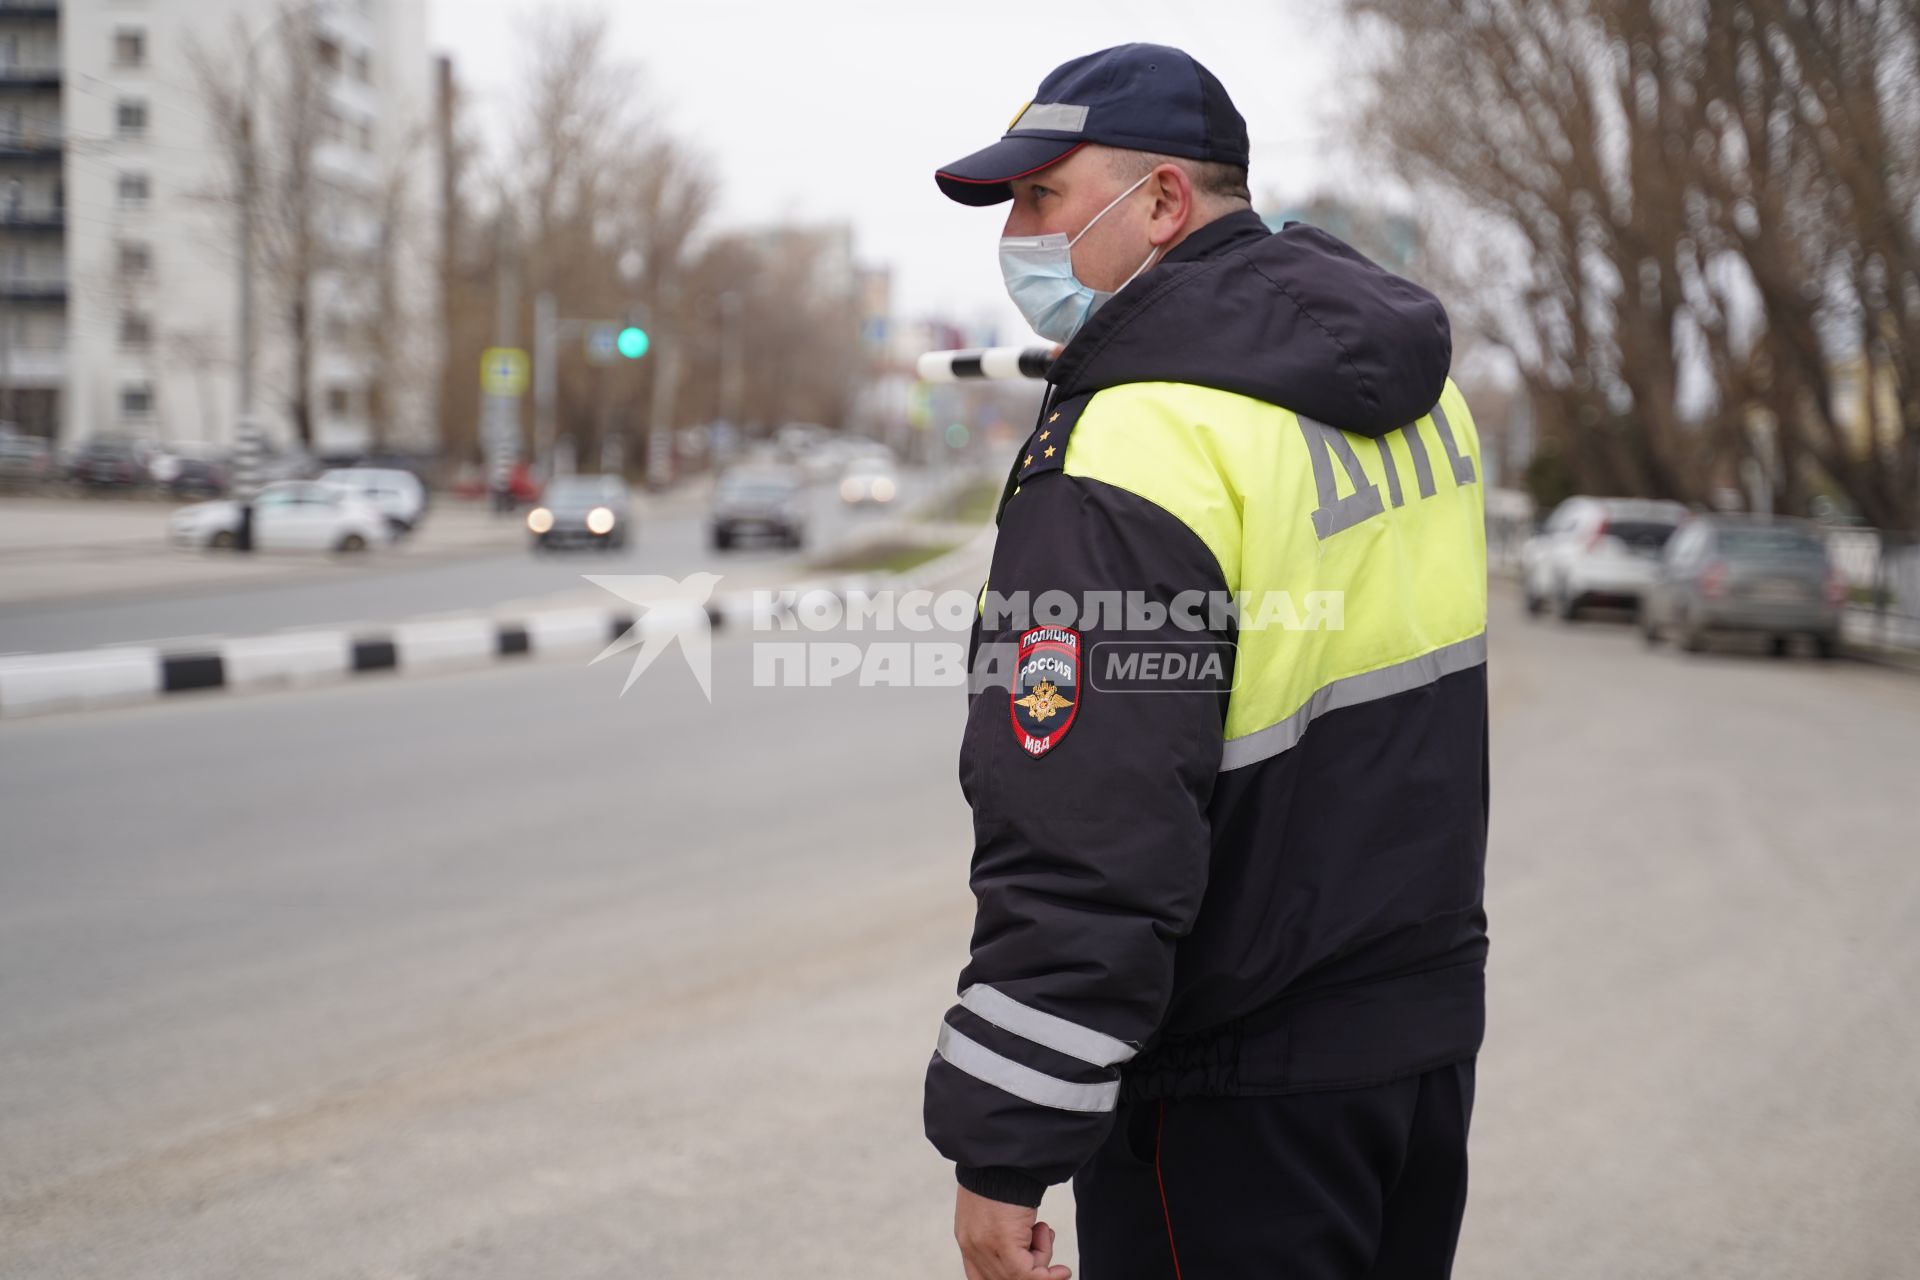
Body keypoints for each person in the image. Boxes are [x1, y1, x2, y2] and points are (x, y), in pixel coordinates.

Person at [923, 44, 1490, 1280]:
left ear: (1165, 201)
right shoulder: (1416, 395)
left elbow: (1087, 825)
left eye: (1042, 199)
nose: (1016, 237)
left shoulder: (1139, 439)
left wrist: (1003, 1148)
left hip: (1232, 1094)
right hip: (1417, 1043)